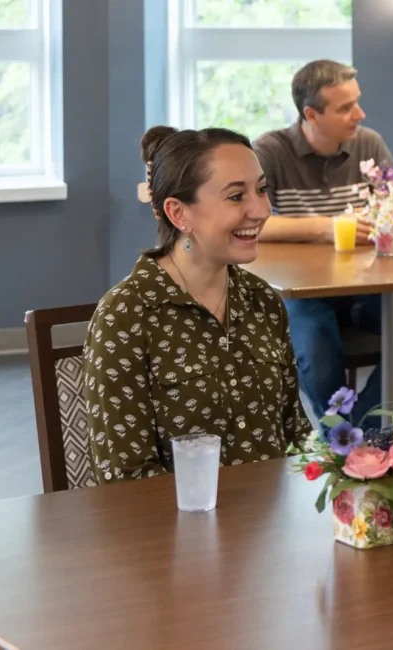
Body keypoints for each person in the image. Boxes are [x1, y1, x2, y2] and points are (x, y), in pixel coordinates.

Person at [82, 126, 312, 483]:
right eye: (236, 196)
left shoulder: (263, 301)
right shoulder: (126, 316)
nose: (261, 210)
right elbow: (125, 478)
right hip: (179, 519)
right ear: (179, 214)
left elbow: (296, 435)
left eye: (262, 189)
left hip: (272, 514)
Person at [253, 59, 393, 422]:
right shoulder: (270, 151)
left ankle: (363, 429)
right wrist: (327, 227)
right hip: (302, 293)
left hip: (364, 289)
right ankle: (339, 433)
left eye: (357, 102)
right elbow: (252, 224)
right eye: (345, 107)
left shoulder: (368, 143)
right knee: (315, 338)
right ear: (311, 114)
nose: (360, 113)